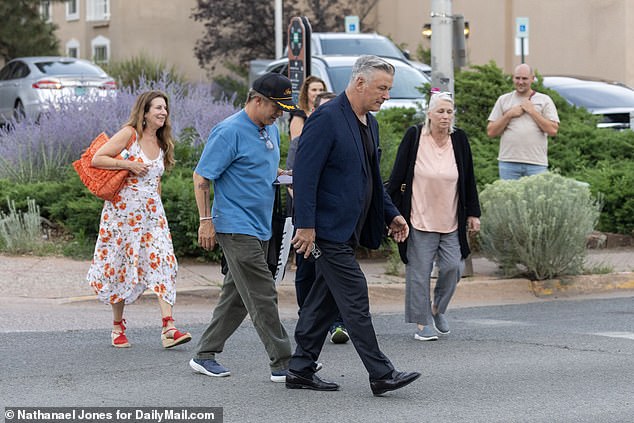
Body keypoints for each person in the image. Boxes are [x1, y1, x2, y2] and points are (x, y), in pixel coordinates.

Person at [286, 55, 421, 396]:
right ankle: (381, 373)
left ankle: (300, 368)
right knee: (354, 294)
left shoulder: (369, 123)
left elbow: (371, 178)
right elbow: (305, 175)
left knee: (324, 301)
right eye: (382, 88)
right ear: (359, 83)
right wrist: (305, 225)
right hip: (326, 230)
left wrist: (391, 213)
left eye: (388, 89)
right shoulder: (326, 119)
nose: (386, 96)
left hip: (348, 231)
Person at [189, 73, 295, 383]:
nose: (280, 113)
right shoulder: (229, 131)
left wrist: (283, 177)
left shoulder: (270, 130)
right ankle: (284, 363)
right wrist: (205, 221)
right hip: (235, 226)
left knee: (236, 296)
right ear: (257, 100)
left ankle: (204, 354)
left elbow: (258, 167)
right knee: (263, 293)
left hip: (261, 224)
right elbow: (201, 177)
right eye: (276, 107)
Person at [87, 90, 191, 349]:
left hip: (152, 216)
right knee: (120, 266)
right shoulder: (129, 134)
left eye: (165, 108)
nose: (162, 112)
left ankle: (169, 326)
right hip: (122, 217)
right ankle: (117, 326)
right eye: (157, 108)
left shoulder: (163, 142)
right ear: (144, 112)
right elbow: (98, 158)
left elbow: (156, 182)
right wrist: (129, 165)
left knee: (165, 262)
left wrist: (158, 210)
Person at [387, 92, 481, 341]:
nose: (445, 117)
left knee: (454, 266)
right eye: (440, 111)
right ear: (429, 113)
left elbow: (468, 178)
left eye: (449, 112)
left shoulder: (459, 140)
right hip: (419, 218)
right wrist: (391, 214)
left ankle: (437, 308)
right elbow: (397, 176)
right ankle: (422, 322)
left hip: (451, 220)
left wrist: (473, 212)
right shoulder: (415, 136)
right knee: (418, 272)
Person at [287, 90, 349, 344]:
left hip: (336, 222)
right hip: (307, 219)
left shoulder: (348, 139)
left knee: (336, 277)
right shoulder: (300, 142)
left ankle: (337, 323)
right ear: (313, 112)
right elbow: (294, 179)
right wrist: (305, 219)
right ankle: (308, 321)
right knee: (306, 273)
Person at [487, 63, 560, 180]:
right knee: (509, 198)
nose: (520, 82)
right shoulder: (503, 100)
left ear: (532, 79)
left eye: (524, 78)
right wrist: (509, 115)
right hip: (508, 162)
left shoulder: (544, 100)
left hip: (536, 164)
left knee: (536, 198)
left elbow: (553, 130)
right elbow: (491, 132)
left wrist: (532, 111)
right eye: (517, 78)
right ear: (513, 78)